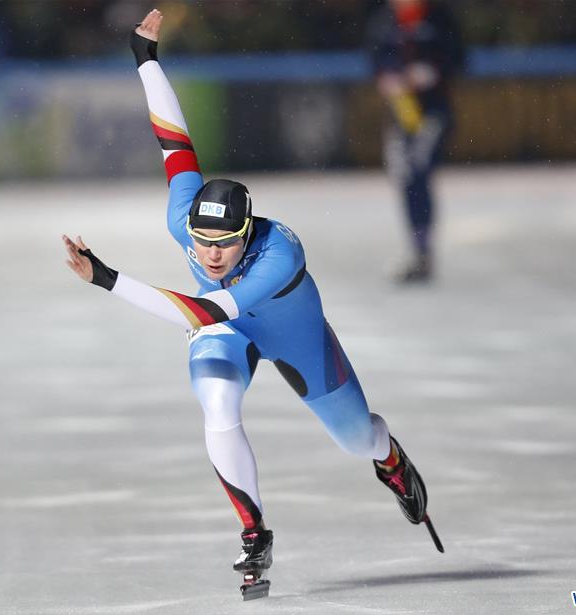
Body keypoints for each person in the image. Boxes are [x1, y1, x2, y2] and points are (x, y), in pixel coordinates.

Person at [62, 9, 437, 584]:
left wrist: (107, 278)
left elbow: (202, 308)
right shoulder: (183, 214)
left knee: (355, 437)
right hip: (230, 330)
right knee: (217, 407)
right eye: (201, 242)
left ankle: (388, 457)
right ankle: (255, 533)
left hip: (290, 333)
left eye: (225, 244)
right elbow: (173, 139)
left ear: (248, 230)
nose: (210, 255)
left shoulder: (277, 255)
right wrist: (146, 61)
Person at [367, 0, 465, 283]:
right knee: (405, 175)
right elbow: (375, 57)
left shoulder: (440, 17)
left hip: (433, 111)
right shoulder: (384, 20)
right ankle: (419, 249)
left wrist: (431, 71)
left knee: (418, 170)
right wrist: (388, 76)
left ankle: (423, 250)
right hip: (401, 113)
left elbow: (458, 57)